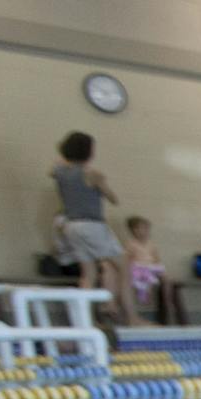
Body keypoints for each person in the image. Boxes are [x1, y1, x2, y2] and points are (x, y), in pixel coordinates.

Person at [50, 132, 136, 327]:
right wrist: (100, 184)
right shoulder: (92, 174)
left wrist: (65, 157)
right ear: (89, 152)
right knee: (123, 266)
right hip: (92, 225)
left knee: (88, 275)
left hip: (70, 226)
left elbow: (54, 167)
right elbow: (113, 199)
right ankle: (128, 315)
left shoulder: (59, 171)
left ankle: (85, 321)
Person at [122, 216, 186, 326]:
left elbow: (157, 259)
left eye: (144, 229)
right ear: (132, 231)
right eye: (138, 229)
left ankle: (168, 301)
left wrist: (159, 268)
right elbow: (127, 260)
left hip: (151, 266)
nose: (141, 232)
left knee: (166, 278)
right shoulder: (130, 244)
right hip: (139, 268)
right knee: (145, 279)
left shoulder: (151, 244)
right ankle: (146, 295)